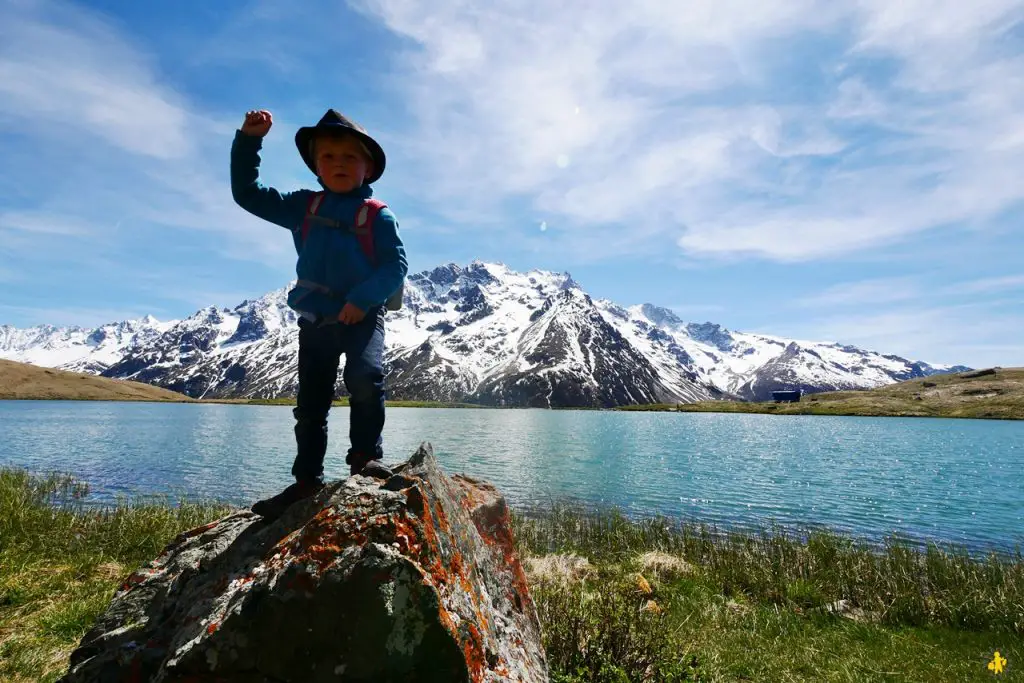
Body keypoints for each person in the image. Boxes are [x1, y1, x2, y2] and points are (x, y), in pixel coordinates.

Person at [231, 108, 407, 520]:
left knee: (365, 379)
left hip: (362, 318)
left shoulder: (378, 215)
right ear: (315, 167)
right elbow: (247, 194)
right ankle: (307, 481)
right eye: (327, 157)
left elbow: (394, 266)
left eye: (349, 157)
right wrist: (248, 140)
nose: (338, 164)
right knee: (311, 405)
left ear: (368, 168)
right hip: (314, 322)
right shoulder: (302, 208)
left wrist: (360, 300)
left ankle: (365, 462)